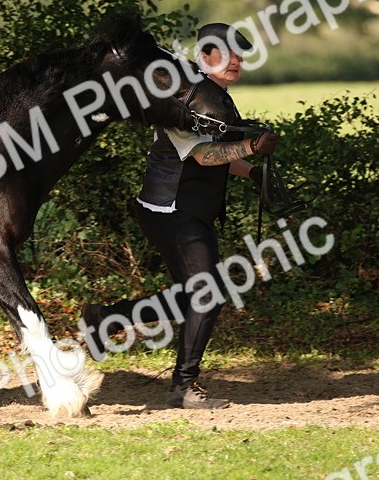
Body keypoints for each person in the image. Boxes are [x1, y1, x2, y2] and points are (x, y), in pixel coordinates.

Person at [79, 22, 277, 409]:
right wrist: (252, 147)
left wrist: (252, 172)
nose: (235, 61)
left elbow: (216, 157)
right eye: (225, 53)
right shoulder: (186, 99)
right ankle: (184, 387)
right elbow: (203, 155)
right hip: (170, 212)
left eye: (239, 55)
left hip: (191, 212)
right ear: (205, 57)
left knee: (193, 296)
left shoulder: (217, 95)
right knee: (207, 294)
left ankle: (107, 318)